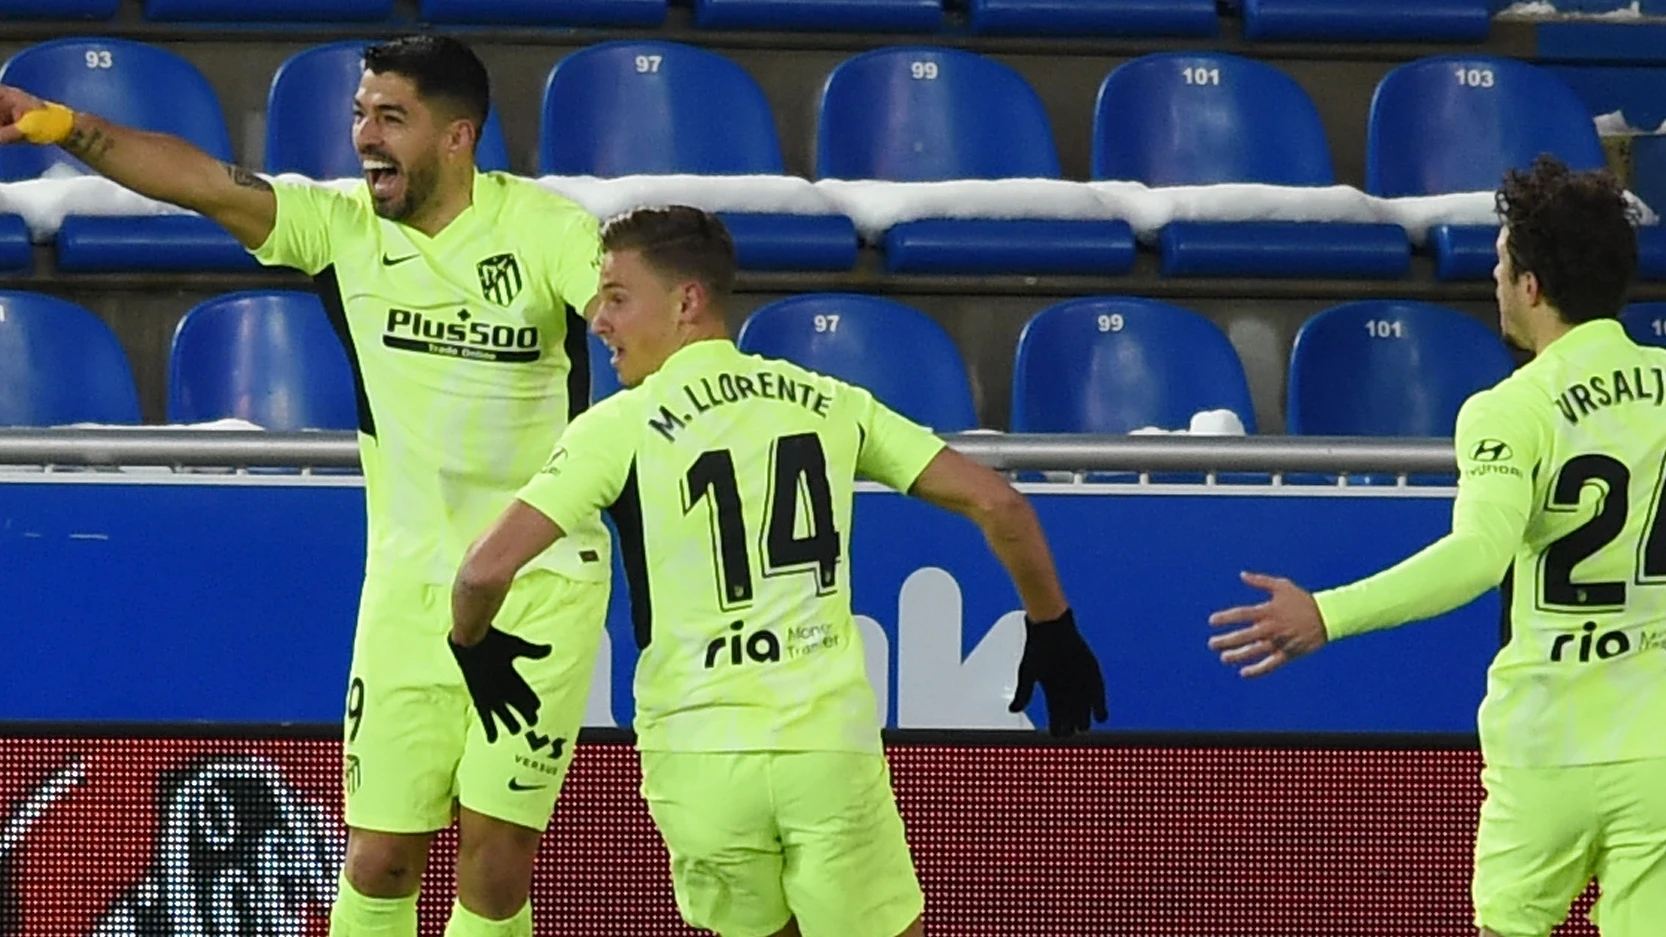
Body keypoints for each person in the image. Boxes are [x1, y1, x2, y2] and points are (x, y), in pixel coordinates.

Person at [0, 35, 612, 937]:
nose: (365, 135)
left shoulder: (548, 232)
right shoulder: (342, 229)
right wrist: (60, 123)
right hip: (409, 592)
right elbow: (203, 182)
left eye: (390, 117)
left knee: (493, 852)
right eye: (360, 114)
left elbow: (624, 314)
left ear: (457, 136)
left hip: (541, 586)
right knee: (377, 857)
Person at [450, 206, 1109, 937]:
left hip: (698, 758)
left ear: (688, 300)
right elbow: (1001, 504)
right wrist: (1053, 625)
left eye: (616, 297)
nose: (598, 321)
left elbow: (482, 572)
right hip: (824, 749)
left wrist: (472, 644)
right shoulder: (830, 401)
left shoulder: (619, 426)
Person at [1206, 155, 1666, 937]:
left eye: (1499, 263)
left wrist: (1329, 612)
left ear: (1530, 286)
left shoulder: (1508, 409)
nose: (1493, 281)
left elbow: (1478, 556)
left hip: (1546, 743)